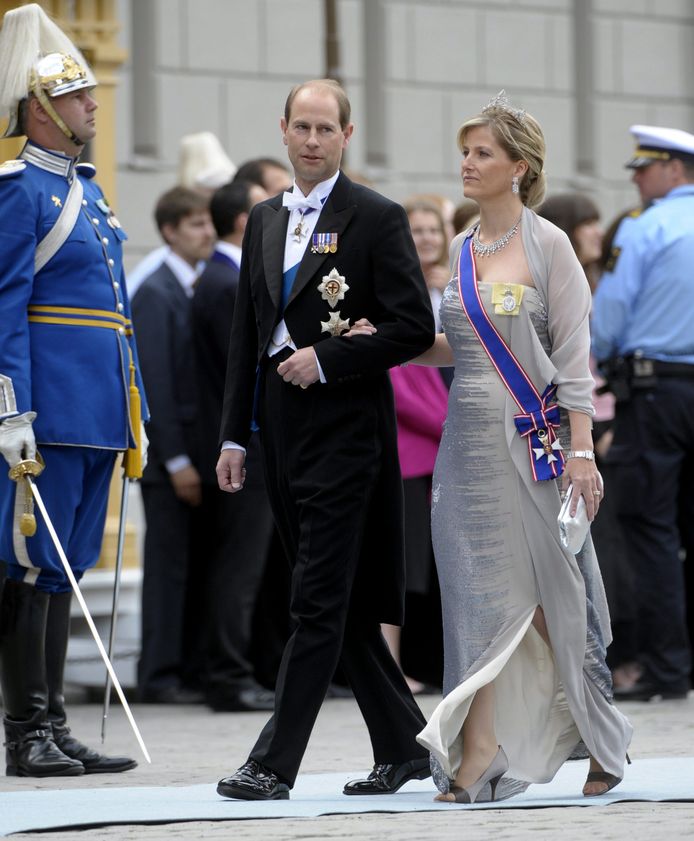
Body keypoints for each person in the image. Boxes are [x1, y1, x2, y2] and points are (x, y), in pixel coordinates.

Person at [214, 78, 435, 801]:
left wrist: (332, 357)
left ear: (347, 134)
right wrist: (233, 438)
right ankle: (406, 747)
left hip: (345, 427)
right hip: (278, 427)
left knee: (313, 598)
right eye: (301, 127)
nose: (312, 140)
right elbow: (248, 337)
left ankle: (273, 763)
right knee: (333, 598)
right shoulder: (261, 218)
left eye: (325, 128)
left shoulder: (376, 215)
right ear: (283, 130)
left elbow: (408, 324)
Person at [412, 91, 632, 803]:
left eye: (482, 153)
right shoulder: (462, 244)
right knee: (475, 598)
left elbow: (573, 356)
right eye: (465, 152)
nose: (467, 165)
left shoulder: (548, 244)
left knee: (554, 601)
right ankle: (480, 749)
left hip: (533, 446)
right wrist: (394, 344)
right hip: (464, 446)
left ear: (519, 167)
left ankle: (601, 736)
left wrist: (582, 451)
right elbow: (462, 347)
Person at [0, 3, 147, 776]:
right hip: (49, 410)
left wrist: (136, 411)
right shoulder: (18, 189)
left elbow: (113, 311)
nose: (94, 105)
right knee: (28, 561)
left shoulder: (85, 190)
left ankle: (53, 725)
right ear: (42, 109)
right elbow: (4, 305)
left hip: (96, 412)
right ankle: (24, 731)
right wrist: (9, 407)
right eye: (81, 96)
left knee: (66, 566)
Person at [592, 125, 694, 702]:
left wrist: (607, 358)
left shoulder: (644, 226)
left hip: (655, 393)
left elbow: (611, 315)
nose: (635, 178)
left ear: (674, 171)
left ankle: (667, 669)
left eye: (644, 167)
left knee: (651, 529)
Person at [538, 194, 639, 689]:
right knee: (596, 544)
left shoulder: (604, 279)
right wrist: (586, 437)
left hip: (608, 418)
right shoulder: (563, 278)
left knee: (616, 544)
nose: (598, 232)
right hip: (582, 426)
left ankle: (617, 653)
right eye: (588, 223)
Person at [191, 179, 276, 712]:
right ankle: (226, 672)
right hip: (243, 439)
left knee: (250, 563)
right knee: (239, 565)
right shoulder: (226, 281)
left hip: (242, 438)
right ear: (244, 223)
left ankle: (245, 667)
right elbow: (241, 368)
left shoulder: (222, 277)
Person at [131, 187, 216, 703]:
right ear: (169, 231)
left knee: (194, 565)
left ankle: (186, 668)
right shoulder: (156, 291)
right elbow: (156, 383)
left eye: (208, 223)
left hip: (194, 455)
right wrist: (180, 460)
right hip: (169, 462)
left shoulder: (193, 286)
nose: (206, 232)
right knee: (167, 570)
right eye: (195, 225)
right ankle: (159, 675)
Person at [382, 199, 450, 693]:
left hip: (442, 449)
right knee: (400, 570)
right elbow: (400, 380)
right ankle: (391, 670)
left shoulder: (450, 290)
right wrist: (455, 426)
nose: (426, 237)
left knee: (434, 569)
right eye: (417, 229)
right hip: (411, 448)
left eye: (433, 229)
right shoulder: (391, 291)